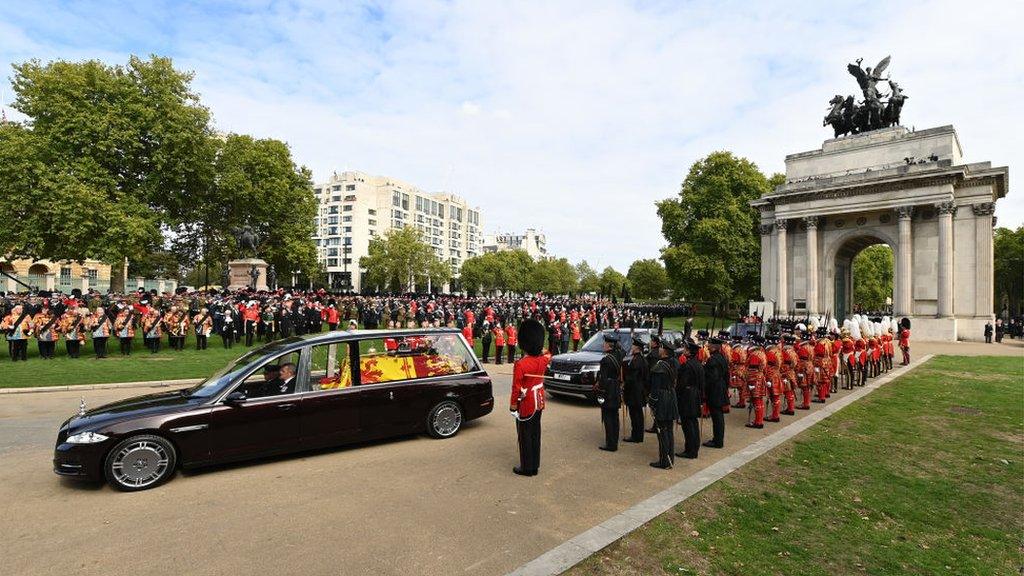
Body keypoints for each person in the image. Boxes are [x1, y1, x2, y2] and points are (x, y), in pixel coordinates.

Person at [510, 319, 548, 477]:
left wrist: (513, 406)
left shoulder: (521, 364)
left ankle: (527, 468)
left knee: (524, 434)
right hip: (539, 400)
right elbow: (547, 352)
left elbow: (516, 388)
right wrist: (539, 348)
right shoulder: (543, 360)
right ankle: (535, 466)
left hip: (526, 402)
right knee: (535, 433)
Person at [648, 341, 678, 469]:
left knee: (663, 431)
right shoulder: (672, 363)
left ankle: (664, 461)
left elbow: (655, 389)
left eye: (661, 348)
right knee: (669, 430)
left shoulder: (659, 367)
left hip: (662, 399)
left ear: (664, 352)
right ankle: (669, 458)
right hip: (671, 397)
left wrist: (652, 402)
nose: (659, 349)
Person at [676, 340, 704, 459]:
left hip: (688, 396)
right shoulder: (698, 364)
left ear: (689, 352)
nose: (684, 350)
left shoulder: (687, 366)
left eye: (686, 349)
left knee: (688, 425)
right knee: (693, 423)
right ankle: (694, 448)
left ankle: (690, 450)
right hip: (696, 394)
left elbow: (682, 384)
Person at [596, 333, 623, 452]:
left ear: (609, 345)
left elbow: (603, 379)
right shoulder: (619, 355)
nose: (603, 345)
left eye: (605, 343)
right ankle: (614, 441)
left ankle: (610, 444)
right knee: (615, 417)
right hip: (616, 387)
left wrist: (600, 390)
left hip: (609, 389)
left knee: (608, 417)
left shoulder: (605, 360)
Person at [702, 335, 729, 448]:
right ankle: (718, 439)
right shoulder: (722, 357)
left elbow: (712, 378)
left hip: (715, 391)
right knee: (718, 417)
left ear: (714, 347)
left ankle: (717, 441)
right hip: (721, 388)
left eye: (710, 344)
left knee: (717, 417)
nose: (707, 346)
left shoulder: (713, 360)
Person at [622, 337, 649, 443]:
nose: (631, 347)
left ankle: (636, 436)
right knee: (636, 414)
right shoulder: (638, 359)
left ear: (637, 348)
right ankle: (637, 435)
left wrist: (624, 383)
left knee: (636, 414)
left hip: (635, 391)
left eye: (633, 346)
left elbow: (633, 378)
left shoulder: (637, 361)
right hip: (638, 390)